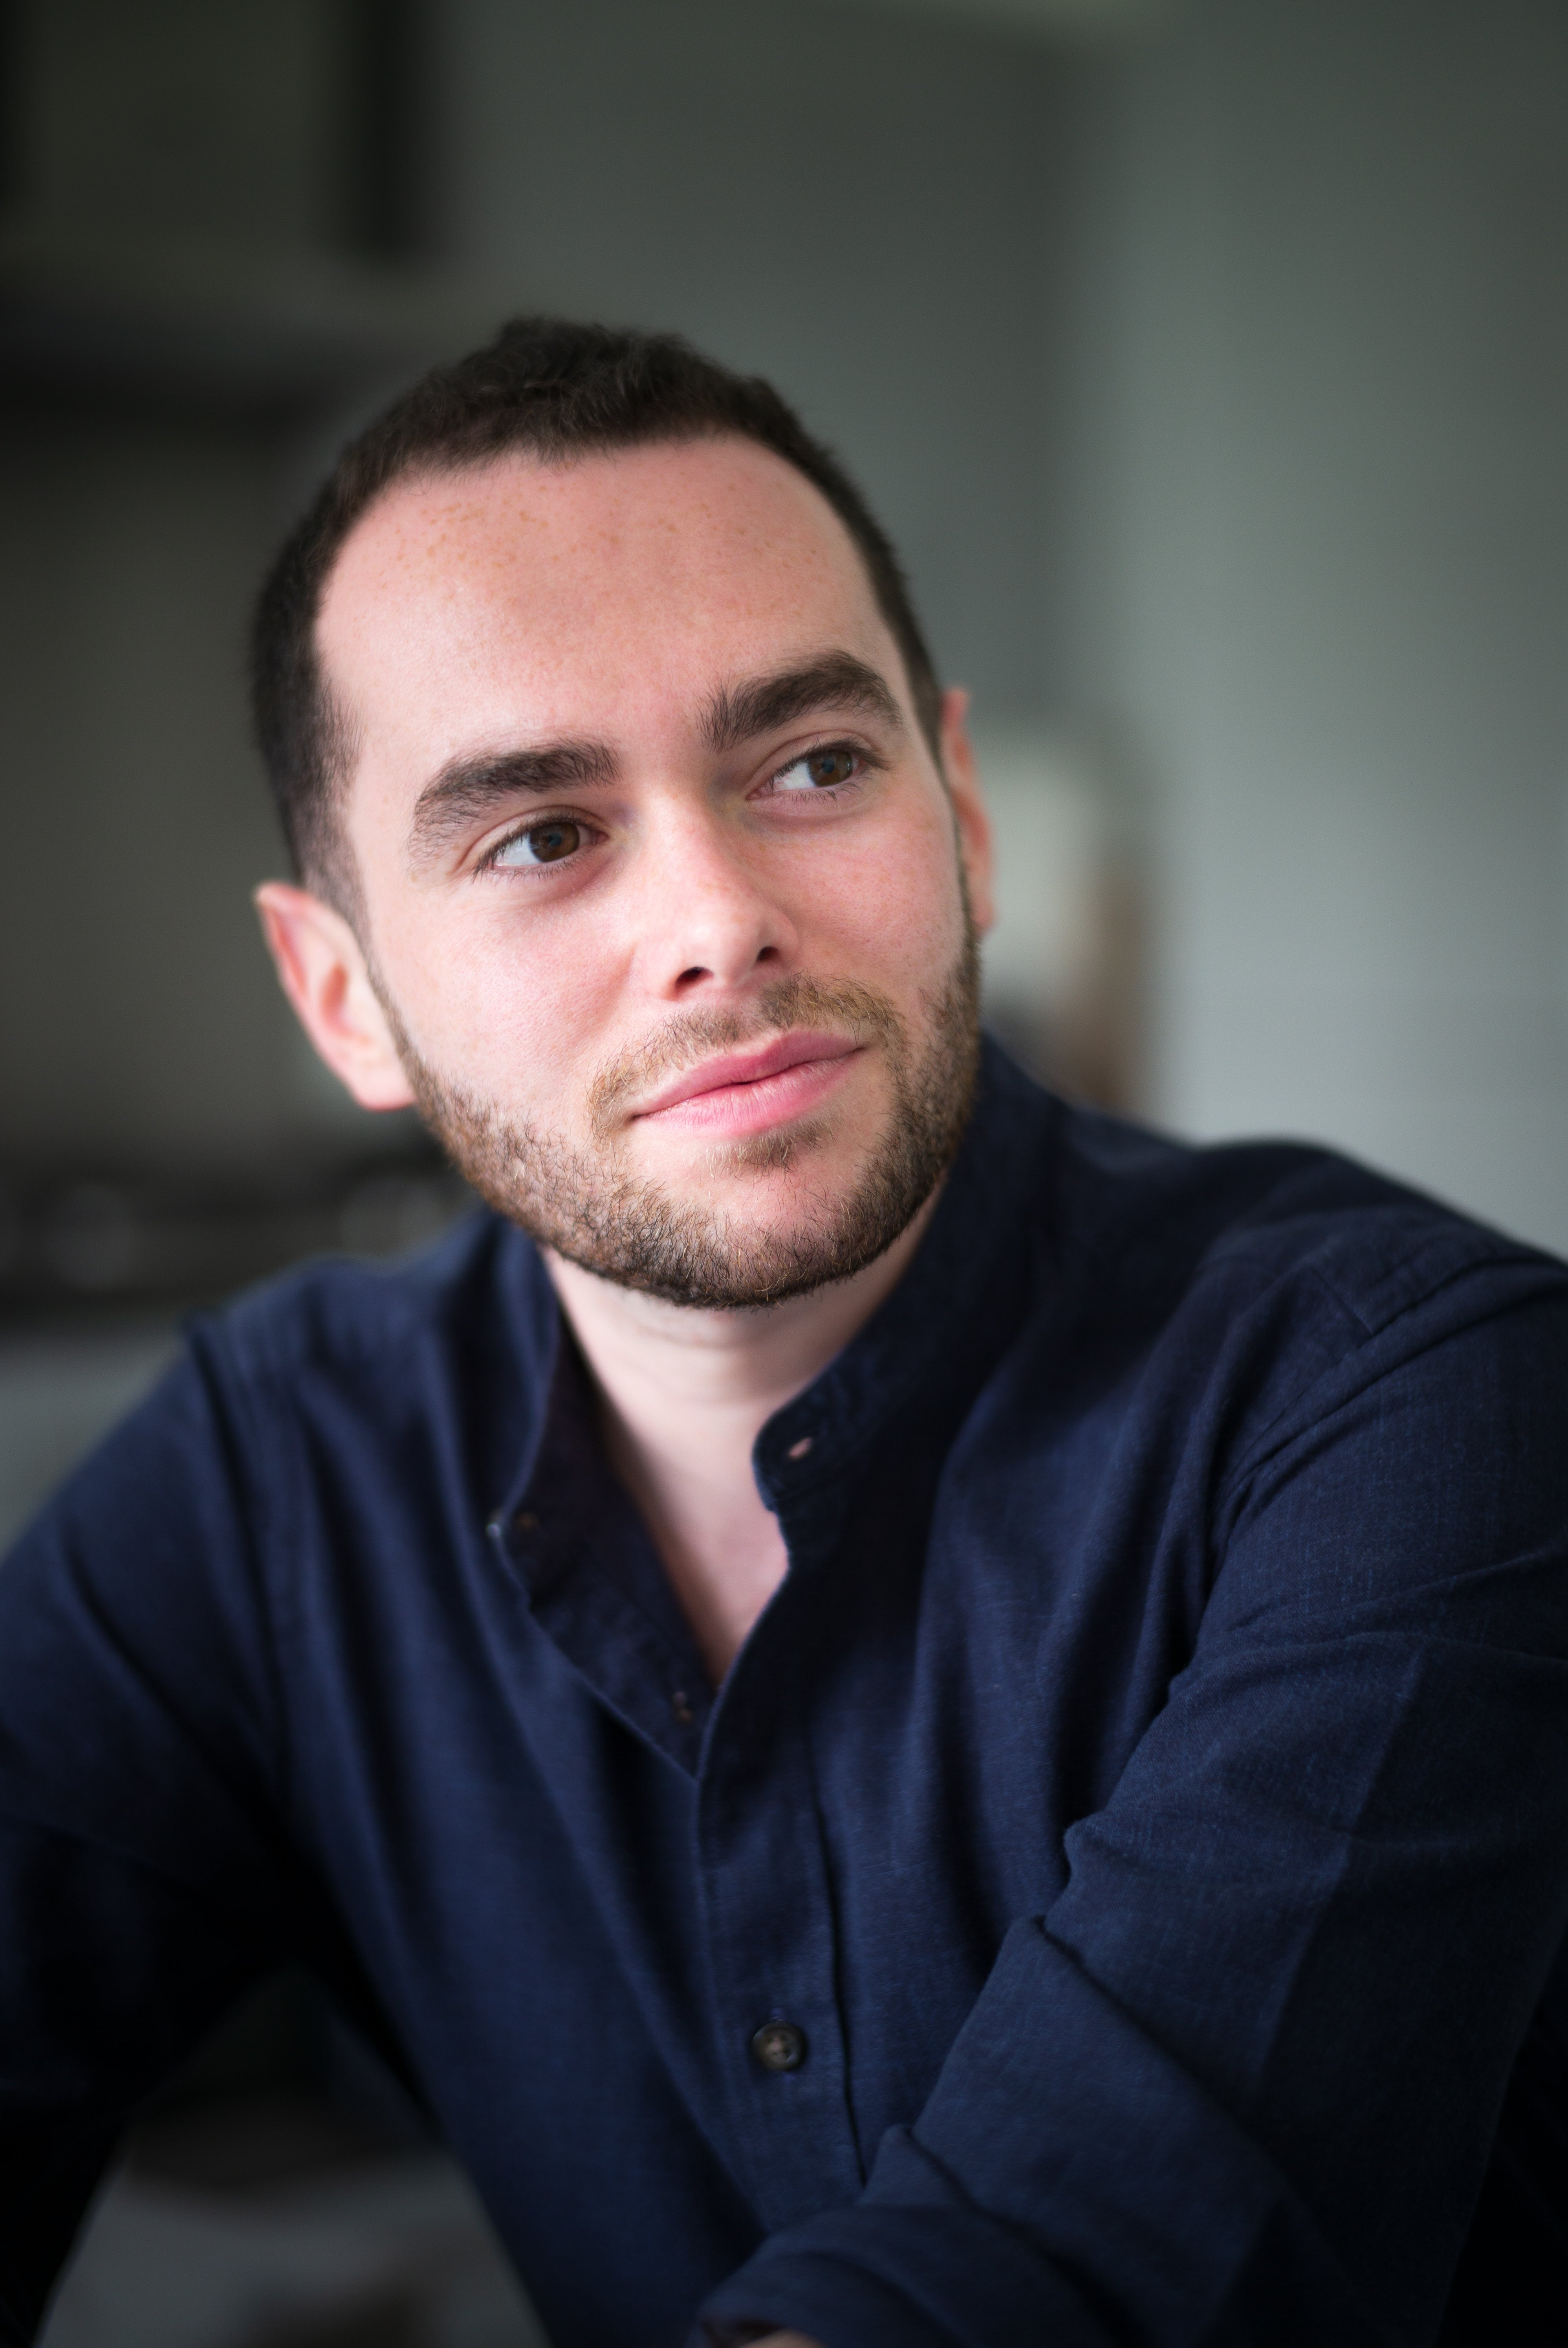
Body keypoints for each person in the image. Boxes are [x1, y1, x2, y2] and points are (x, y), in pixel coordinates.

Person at [2, 319, 1566, 2348]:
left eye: (813, 765)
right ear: (343, 999)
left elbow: (1069, 2278)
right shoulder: (272, 1475)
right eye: (540, 834)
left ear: (964, 814)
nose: (717, 917)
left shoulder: (1416, 1397)